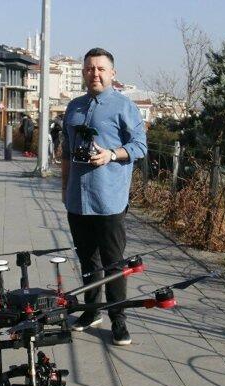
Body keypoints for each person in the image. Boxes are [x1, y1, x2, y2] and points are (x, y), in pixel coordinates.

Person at [61, 48, 147, 346]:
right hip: (77, 198)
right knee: (86, 259)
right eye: (89, 68)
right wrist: (64, 188)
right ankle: (91, 309)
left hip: (109, 197)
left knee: (113, 263)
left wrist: (111, 154)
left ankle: (118, 320)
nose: (94, 73)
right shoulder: (74, 107)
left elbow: (139, 146)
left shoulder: (125, 107)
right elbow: (66, 153)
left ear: (112, 73)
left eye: (100, 69)